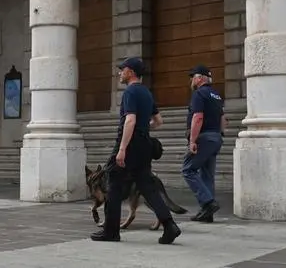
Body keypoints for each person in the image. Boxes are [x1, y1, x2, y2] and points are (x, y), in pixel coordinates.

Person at [91, 57, 181, 244]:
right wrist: (143, 128)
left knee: (113, 185)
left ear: (130, 72)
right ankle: (170, 225)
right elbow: (158, 121)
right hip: (144, 145)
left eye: (122, 70)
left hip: (129, 144)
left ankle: (111, 231)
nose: (119, 73)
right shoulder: (146, 92)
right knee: (147, 186)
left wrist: (122, 148)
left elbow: (130, 120)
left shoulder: (130, 92)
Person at [182, 65, 226, 223]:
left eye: (193, 77)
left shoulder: (199, 94)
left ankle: (208, 203)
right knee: (207, 174)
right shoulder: (216, 95)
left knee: (188, 169)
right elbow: (222, 118)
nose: (191, 80)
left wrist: (193, 140)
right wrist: (220, 135)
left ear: (200, 78)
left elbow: (198, 117)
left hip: (204, 137)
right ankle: (207, 214)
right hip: (215, 137)